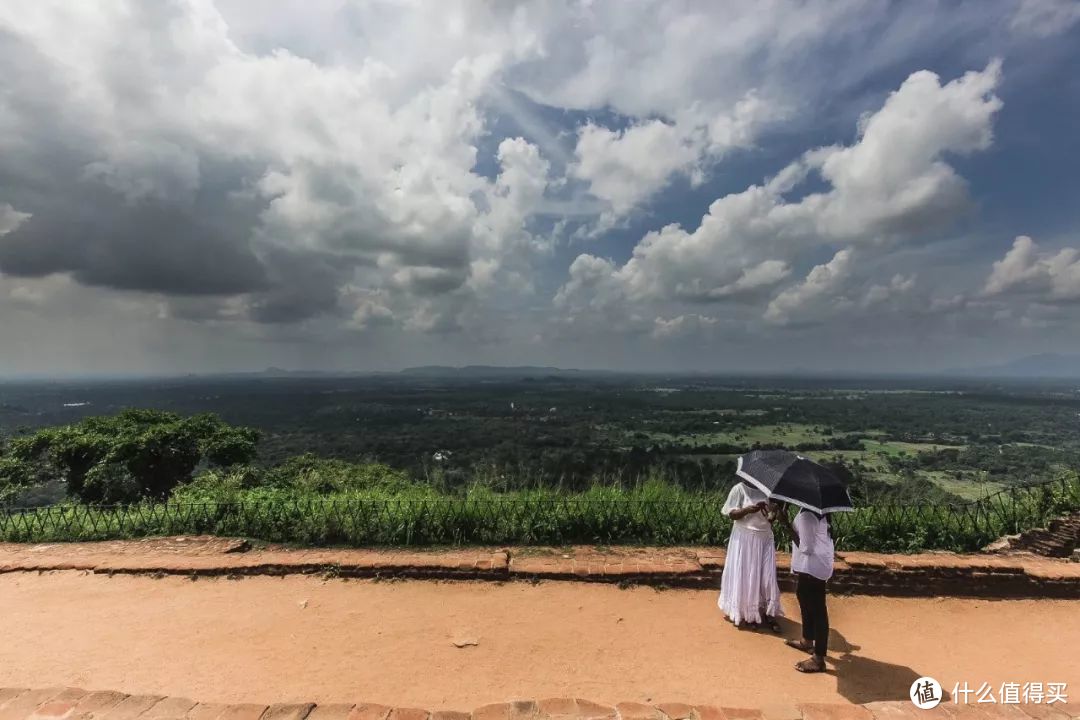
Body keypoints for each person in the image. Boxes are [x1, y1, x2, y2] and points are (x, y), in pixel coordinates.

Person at [775, 505, 835, 673]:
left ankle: (818, 658)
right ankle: (807, 640)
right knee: (803, 596)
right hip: (814, 564)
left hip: (813, 565)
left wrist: (786, 524)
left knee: (817, 609)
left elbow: (806, 548)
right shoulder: (816, 511)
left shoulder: (808, 515)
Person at [718, 479, 783, 631]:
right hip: (745, 538)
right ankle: (749, 614)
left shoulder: (769, 491)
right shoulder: (739, 489)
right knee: (748, 577)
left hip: (765, 538)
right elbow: (732, 514)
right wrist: (748, 510)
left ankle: (769, 612)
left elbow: (772, 519)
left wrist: (772, 513)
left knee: (768, 578)